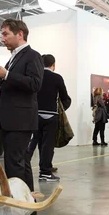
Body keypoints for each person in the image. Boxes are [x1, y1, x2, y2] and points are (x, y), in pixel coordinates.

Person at [0, 19, 43, 213]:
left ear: (20, 34)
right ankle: (27, 205)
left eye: (6, 34)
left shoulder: (32, 56)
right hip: (11, 119)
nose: (2, 38)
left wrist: (7, 75)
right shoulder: (15, 57)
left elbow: (34, 84)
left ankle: (20, 207)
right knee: (20, 162)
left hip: (20, 120)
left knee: (14, 163)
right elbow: (4, 86)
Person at [27, 54, 71, 182]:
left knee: (34, 141)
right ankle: (45, 172)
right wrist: (61, 110)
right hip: (51, 115)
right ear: (54, 64)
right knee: (47, 145)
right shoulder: (57, 77)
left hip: (35, 115)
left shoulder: (36, 77)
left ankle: (25, 167)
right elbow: (65, 97)